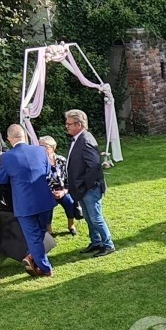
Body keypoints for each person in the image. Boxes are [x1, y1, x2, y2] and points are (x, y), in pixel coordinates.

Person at [0, 125, 56, 276]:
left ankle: (45, 268)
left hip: (24, 203)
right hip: (44, 200)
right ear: (25, 136)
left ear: (9, 139)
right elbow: (47, 170)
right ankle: (31, 256)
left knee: (33, 236)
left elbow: (1, 179)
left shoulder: (6, 157)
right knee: (40, 231)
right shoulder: (40, 150)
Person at [65, 110, 115, 257]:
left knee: (95, 218)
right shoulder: (78, 139)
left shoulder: (85, 140)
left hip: (90, 188)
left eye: (69, 124)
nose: (66, 126)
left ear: (79, 125)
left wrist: (86, 185)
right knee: (88, 217)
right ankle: (96, 242)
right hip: (83, 188)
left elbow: (94, 166)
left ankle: (108, 245)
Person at [39, 135, 79, 237]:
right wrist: (49, 192)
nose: (43, 149)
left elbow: (69, 178)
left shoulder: (62, 160)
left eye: (45, 147)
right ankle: (49, 229)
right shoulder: (38, 162)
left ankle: (71, 224)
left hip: (62, 189)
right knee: (48, 205)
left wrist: (64, 191)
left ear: (53, 147)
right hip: (47, 192)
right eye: (40, 147)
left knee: (69, 201)